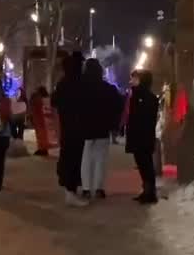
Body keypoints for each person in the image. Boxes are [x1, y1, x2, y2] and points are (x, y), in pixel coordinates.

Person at [77, 58, 122, 200]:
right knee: (100, 159)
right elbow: (117, 107)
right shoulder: (108, 89)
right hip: (103, 127)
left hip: (85, 128)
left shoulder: (81, 88)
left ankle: (85, 188)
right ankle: (99, 188)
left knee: (86, 157)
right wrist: (114, 126)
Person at [51, 52, 87, 206]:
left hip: (67, 127)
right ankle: (70, 191)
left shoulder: (63, 83)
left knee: (69, 157)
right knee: (74, 159)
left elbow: (54, 104)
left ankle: (70, 190)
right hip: (76, 127)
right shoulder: (78, 83)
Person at [125, 70, 161, 203]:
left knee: (146, 164)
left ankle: (150, 193)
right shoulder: (137, 95)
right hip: (139, 136)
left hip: (142, 136)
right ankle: (147, 190)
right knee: (143, 164)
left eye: (134, 78)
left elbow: (143, 118)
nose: (131, 81)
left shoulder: (145, 97)